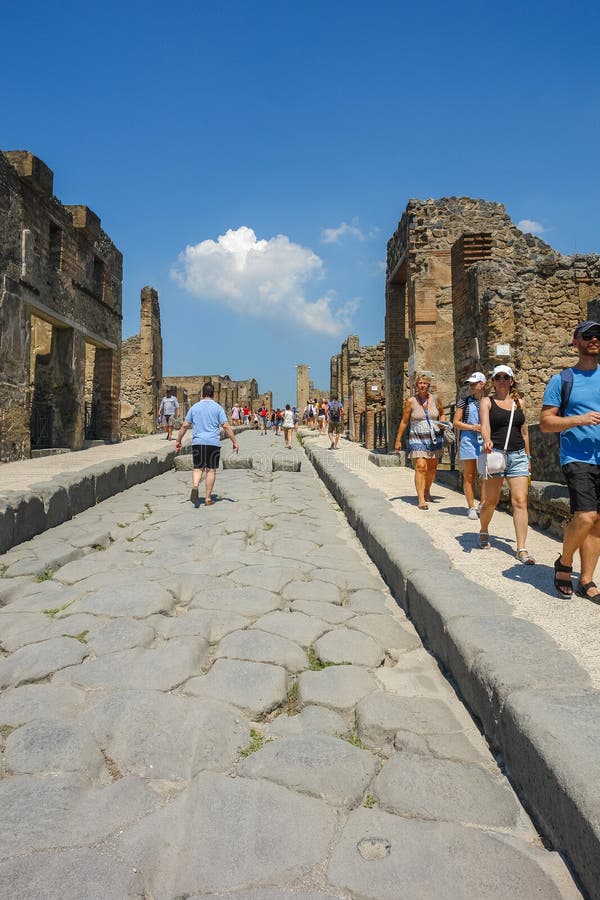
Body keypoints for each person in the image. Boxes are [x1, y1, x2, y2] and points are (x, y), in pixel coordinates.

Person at [540, 320, 600, 601]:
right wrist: (579, 420)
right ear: (575, 341)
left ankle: (586, 580)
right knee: (585, 515)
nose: (594, 339)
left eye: (598, 335)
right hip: (576, 456)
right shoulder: (562, 380)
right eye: (588, 336)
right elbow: (545, 423)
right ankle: (565, 563)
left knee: (598, 522)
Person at [478, 365, 533, 562]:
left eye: (505, 377)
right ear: (493, 381)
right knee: (491, 502)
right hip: (496, 455)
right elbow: (485, 425)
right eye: (497, 377)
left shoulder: (519, 402)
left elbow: (524, 431)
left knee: (520, 502)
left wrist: (528, 457)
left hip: (518, 456)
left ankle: (521, 549)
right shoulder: (487, 401)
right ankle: (484, 529)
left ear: (511, 380)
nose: (501, 380)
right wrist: (486, 440)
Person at [174, 382, 239, 506]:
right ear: (213, 394)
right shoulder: (218, 408)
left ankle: (195, 486)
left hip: (198, 442)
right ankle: (208, 498)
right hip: (213, 444)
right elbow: (225, 426)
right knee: (211, 470)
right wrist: (234, 442)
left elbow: (185, 425)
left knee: (198, 468)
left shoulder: (195, 407)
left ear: (202, 393)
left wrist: (178, 440)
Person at [394, 373, 445, 510]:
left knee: (432, 467)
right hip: (417, 437)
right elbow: (404, 421)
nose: (422, 385)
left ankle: (427, 490)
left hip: (434, 437)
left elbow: (442, 413)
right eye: (420, 383)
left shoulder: (435, 399)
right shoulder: (411, 401)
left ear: (428, 385)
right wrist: (398, 439)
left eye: (425, 383)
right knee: (421, 466)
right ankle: (421, 498)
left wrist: (443, 422)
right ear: (416, 386)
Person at [453, 372, 486, 519]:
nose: (471, 386)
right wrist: (472, 427)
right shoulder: (464, 401)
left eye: (474, 383)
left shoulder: (489, 401)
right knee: (469, 474)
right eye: (470, 384)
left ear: (482, 384)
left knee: (485, 474)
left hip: (484, 439)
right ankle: (471, 506)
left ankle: (483, 504)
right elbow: (456, 421)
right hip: (468, 439)